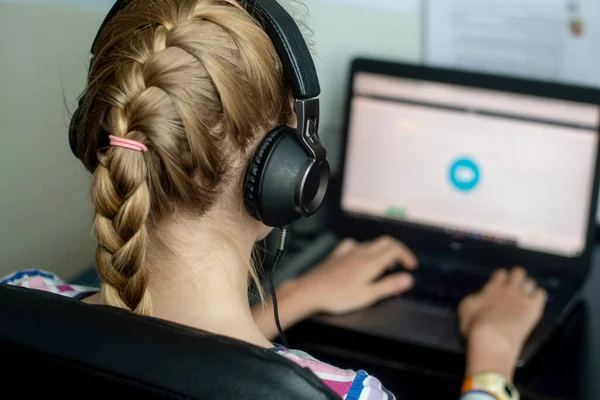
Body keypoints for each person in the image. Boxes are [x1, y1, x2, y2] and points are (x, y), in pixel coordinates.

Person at [2, 1, 546, 398]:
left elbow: (159, 363)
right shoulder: (345, 395)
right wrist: (492, 362)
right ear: (287, 177)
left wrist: (299, 297)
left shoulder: (19, 301)